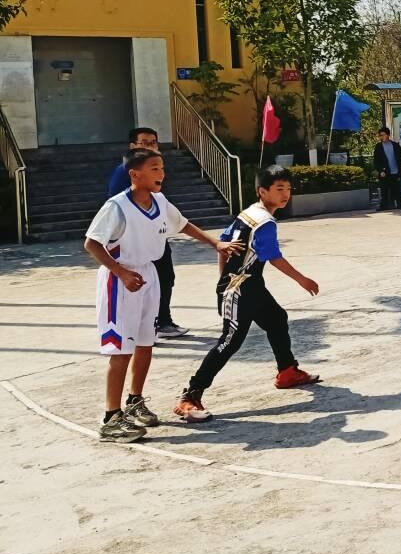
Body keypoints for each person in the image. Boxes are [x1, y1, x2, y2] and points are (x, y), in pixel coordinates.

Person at [85, 149, 242, 441]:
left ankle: (134, 401)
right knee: (120, 350)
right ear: (135, 174)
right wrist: (120, 272)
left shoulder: (159, 201)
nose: (161, 174)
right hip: (120, 281)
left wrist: (214, 243)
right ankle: (110, 417)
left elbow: (181, 224)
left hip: (148, 276)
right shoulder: (116, 207)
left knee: (146, 343)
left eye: (162, 168)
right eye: (155, 168)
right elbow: (92, 244)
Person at [173, 165, 322, 423]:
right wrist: (302, 279)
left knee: (276, 318)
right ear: (262, 191)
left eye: (288, 188)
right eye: (278, 189)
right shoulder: (265, 222)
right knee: (229, 342)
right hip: (241, 288)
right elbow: (274, 257)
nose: (285, 194)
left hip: (250, 285)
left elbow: (223, 246)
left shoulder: (249, 213)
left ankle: (287, 372)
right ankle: (190, 396)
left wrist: (222, 280)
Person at [107, 126, 186, 339]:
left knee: (165, 278)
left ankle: (162, 322)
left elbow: (177, 219)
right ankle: (143, 327)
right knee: (144, 283)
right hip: (136, 243)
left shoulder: (155, 173)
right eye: (144, 143)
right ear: (133, 146)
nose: (150, 146)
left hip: (156, 238)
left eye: (153, 143)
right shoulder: (124, 173)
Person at [374, 127, 401, 211]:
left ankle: (400, 205)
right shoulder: (378, 147)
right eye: (380, 135)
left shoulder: (395, 145)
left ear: (388, 135)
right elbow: (376, 160)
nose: (381, 137)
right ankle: (383, 206)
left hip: (395, 171)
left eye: (383, 135)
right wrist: (380, 171)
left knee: (397, 190)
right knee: (384, 190)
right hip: (385, 172)